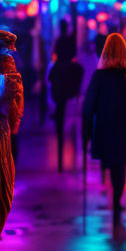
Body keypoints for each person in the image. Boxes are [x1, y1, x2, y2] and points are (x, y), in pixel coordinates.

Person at [82, 33, 126, 243]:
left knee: (109, 160)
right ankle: (116, 199)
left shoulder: (99, 77)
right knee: (120, 166)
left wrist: (85, 135)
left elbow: (88, 108)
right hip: (123, 127)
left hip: (104, 128)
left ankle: (112, 195)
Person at [49, 19, 83, 171]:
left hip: (60, 74)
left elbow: (56, 55)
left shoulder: (60, 40)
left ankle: (57, 113)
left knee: (51, 78)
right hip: (69, 73)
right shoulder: (69, 41)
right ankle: (76, 94)